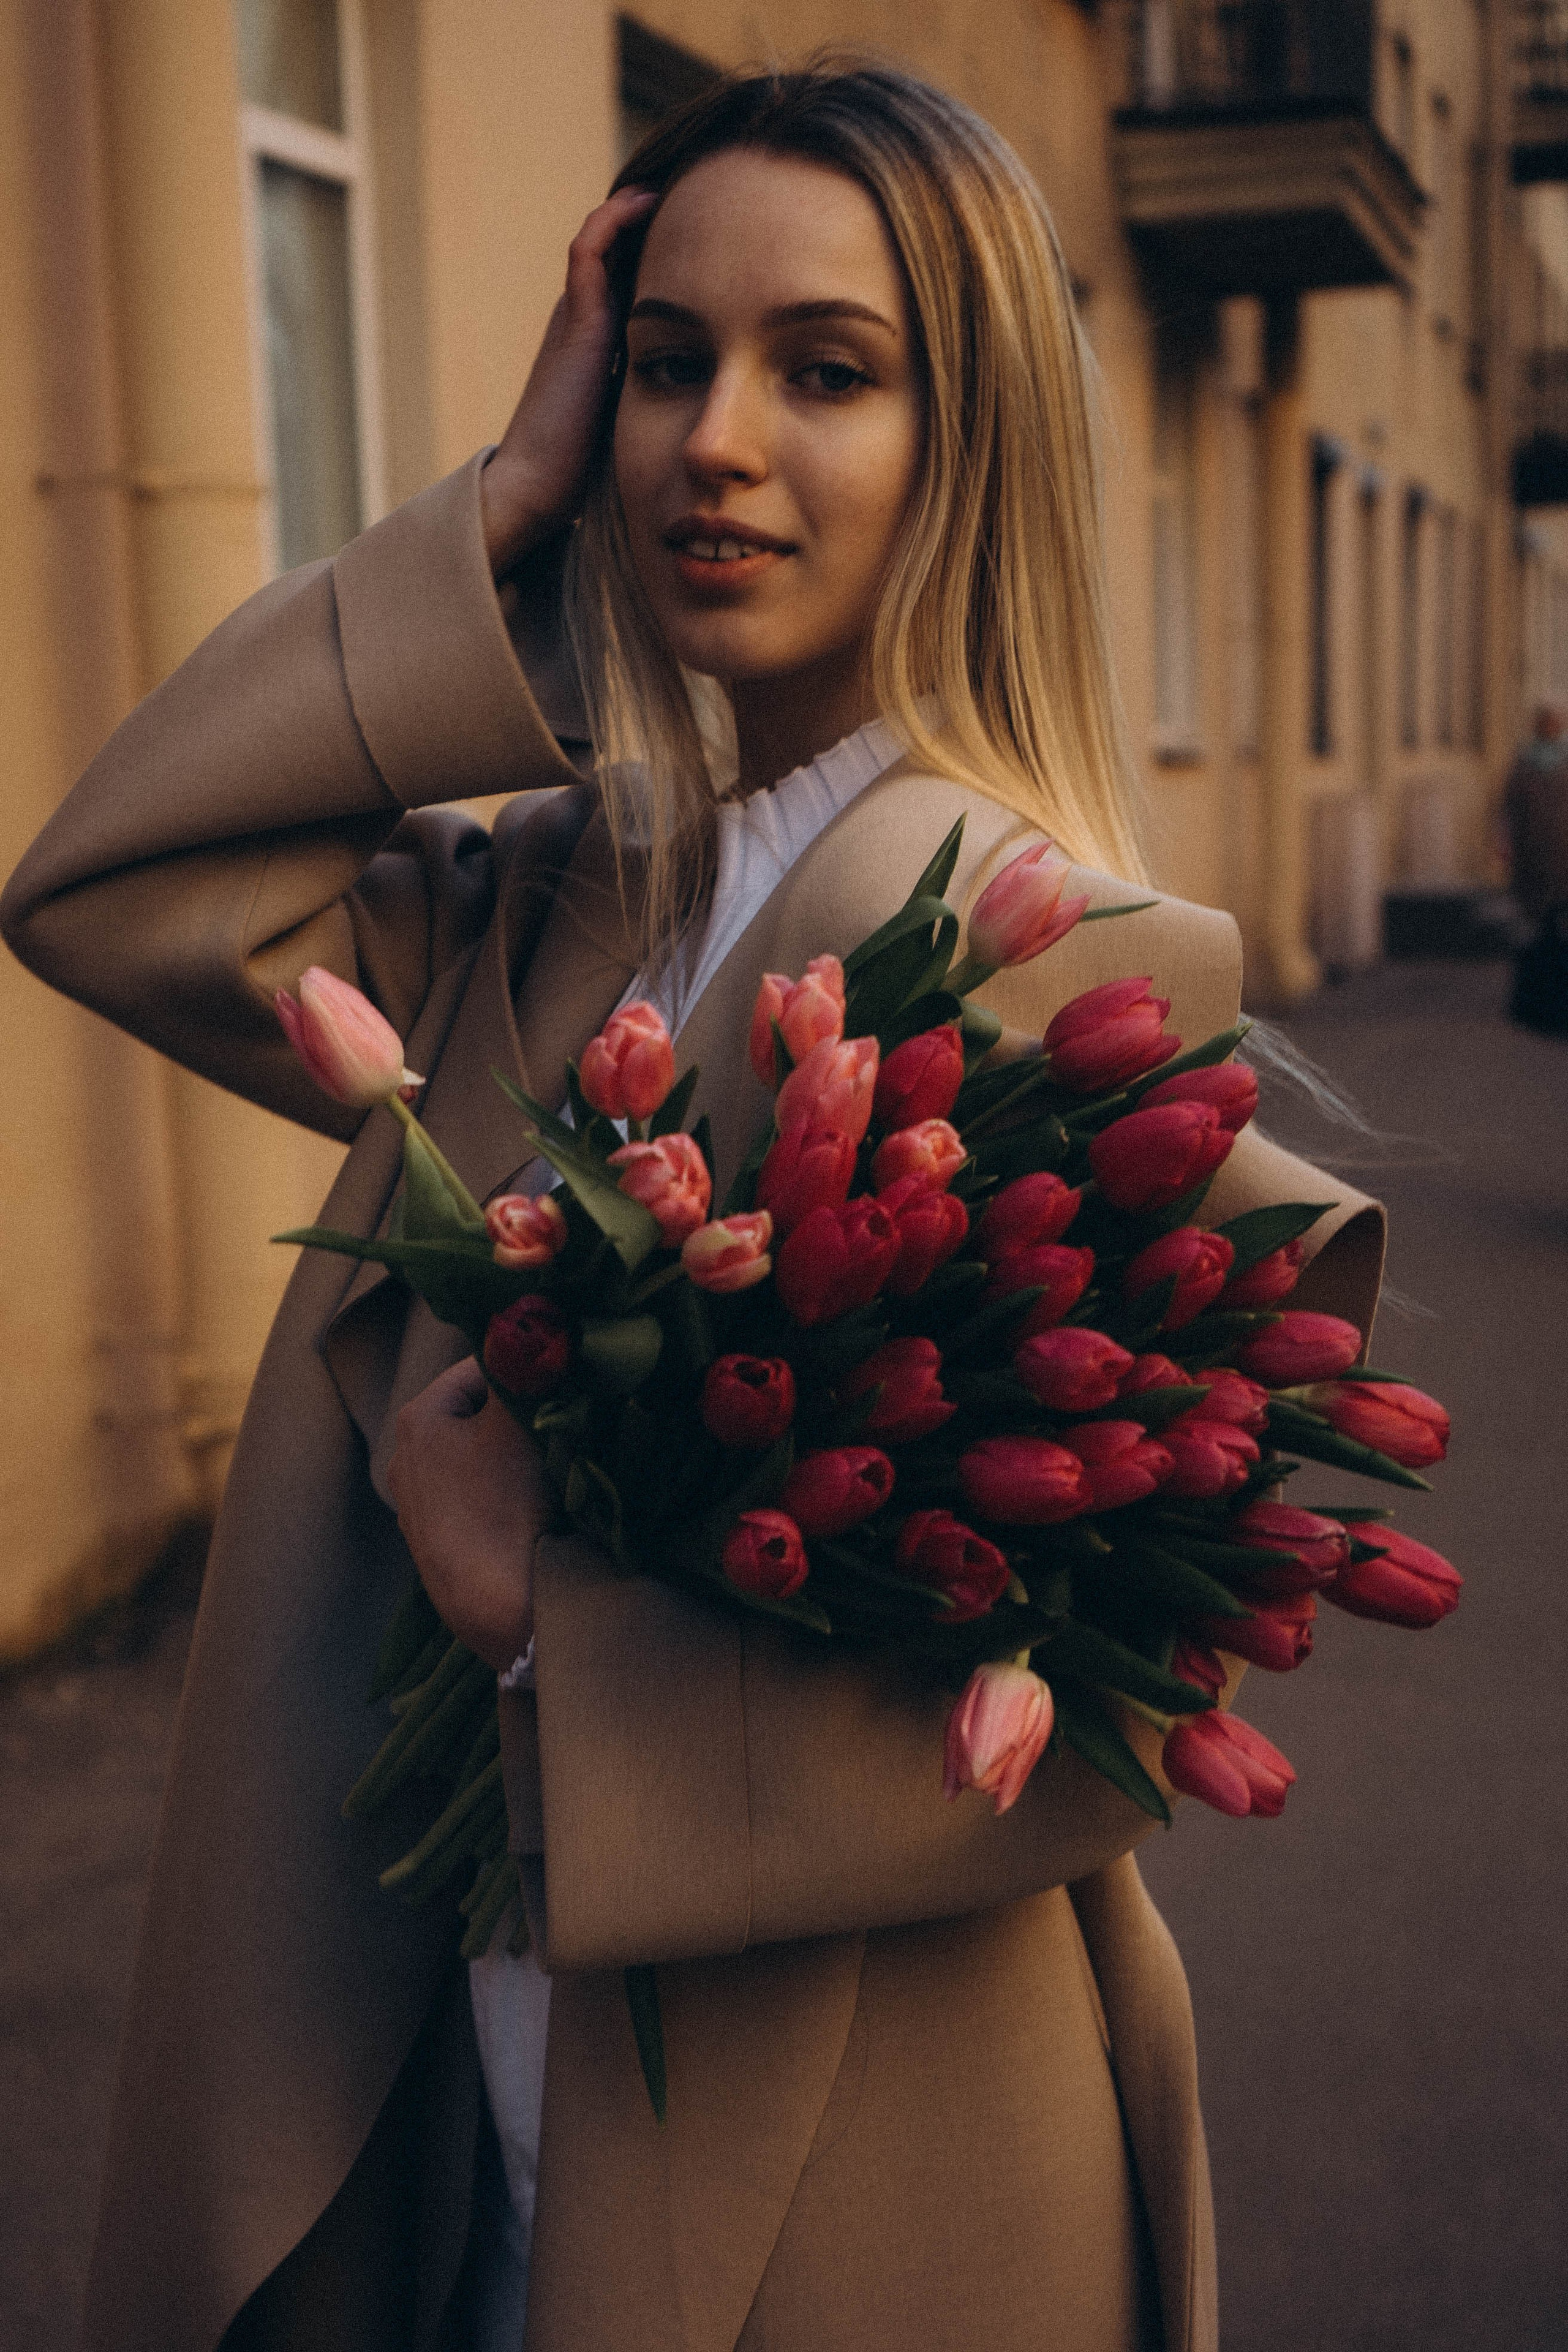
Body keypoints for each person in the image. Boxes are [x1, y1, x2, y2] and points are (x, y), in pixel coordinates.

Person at [1, 59, 1384, 2352]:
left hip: (843, 2168)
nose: (708, 439)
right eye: (664, 363)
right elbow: (111, 890)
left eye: (822, 372)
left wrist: (534, 1617)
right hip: (457, 2082)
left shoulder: (1053, 944)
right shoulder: (560, 895)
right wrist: (513, 540)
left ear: (974, 448)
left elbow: (1125, 1680)